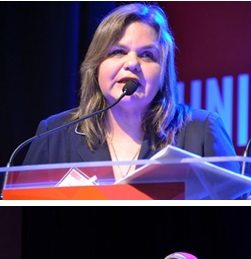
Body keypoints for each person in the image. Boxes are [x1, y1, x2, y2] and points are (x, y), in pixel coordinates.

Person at [23, 3, 239, 179]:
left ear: (164, 72)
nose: (132, 63)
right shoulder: (55, 135)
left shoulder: (200, 131)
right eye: (118, 52)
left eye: (147, 55)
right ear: (96, 65)